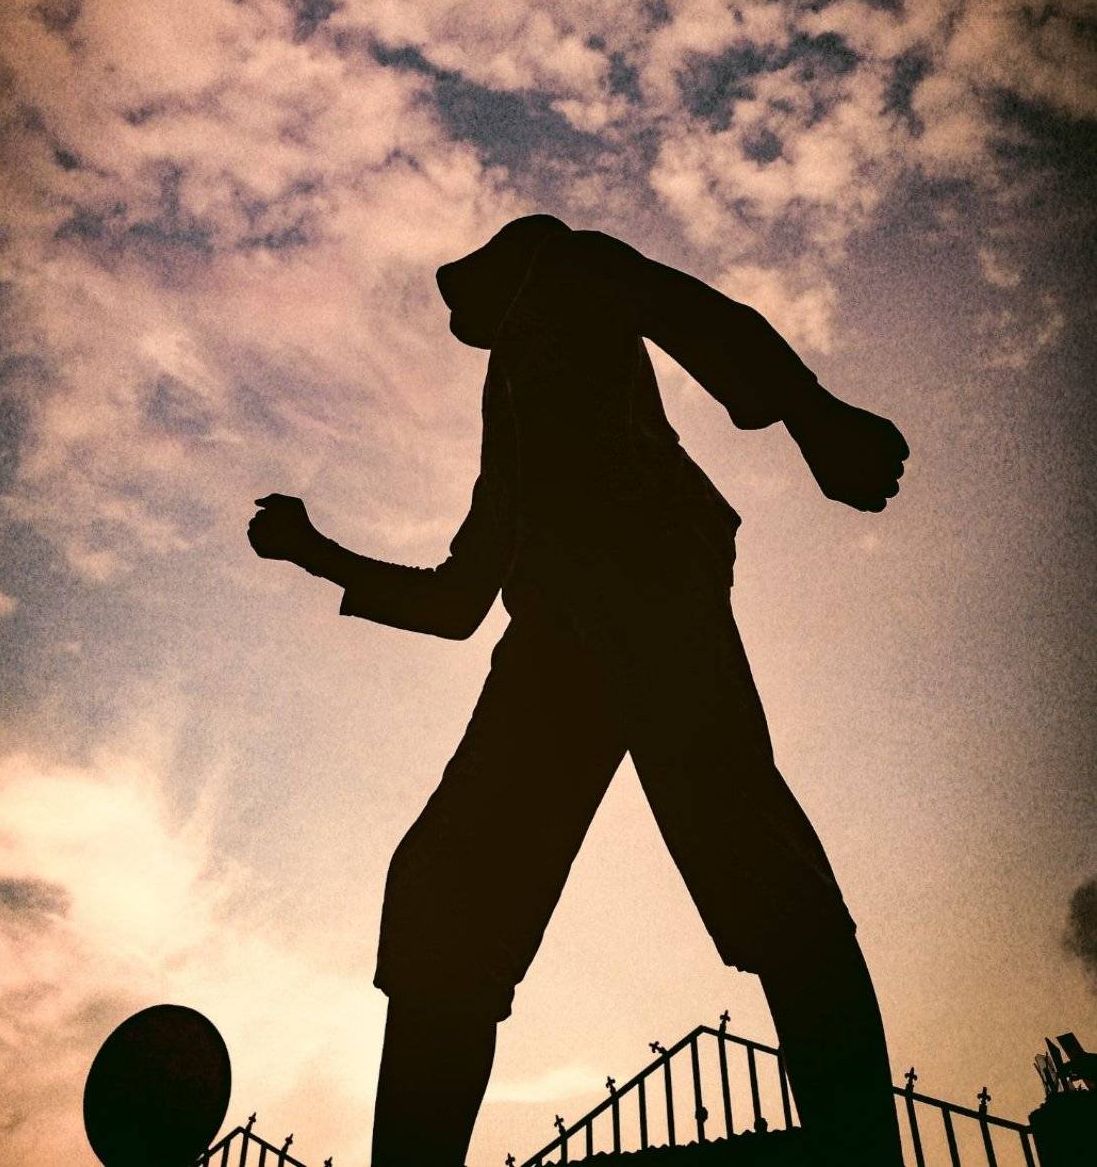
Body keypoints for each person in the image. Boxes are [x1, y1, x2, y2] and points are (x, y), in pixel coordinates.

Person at [247, 214, 909, 1167]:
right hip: (558, 642)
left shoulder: (568, 265)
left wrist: (815, 416)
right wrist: (316, 553)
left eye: (465, 295)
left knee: (755, 860)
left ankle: (861, 1144)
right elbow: (460, 599)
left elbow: (694, 315)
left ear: (502, 267)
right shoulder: (508, 390)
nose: (457, 321)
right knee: (448, 892)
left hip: (646, 588)